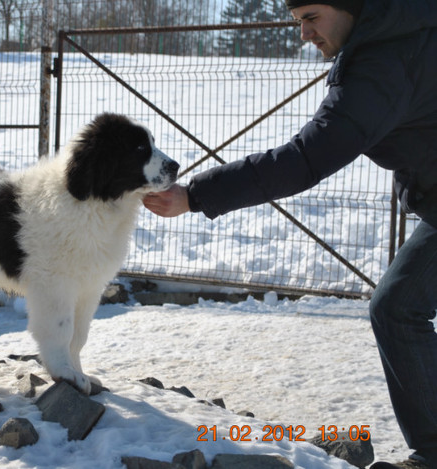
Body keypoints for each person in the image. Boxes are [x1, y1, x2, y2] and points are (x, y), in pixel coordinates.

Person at [143, 1, 437, 468]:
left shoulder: (384, 60)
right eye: (297, 20)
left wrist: (195, 196)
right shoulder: (399, 34)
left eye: (311, 18)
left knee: (399, 308)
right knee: (398, 307)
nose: (304, 34)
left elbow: (305, 159)